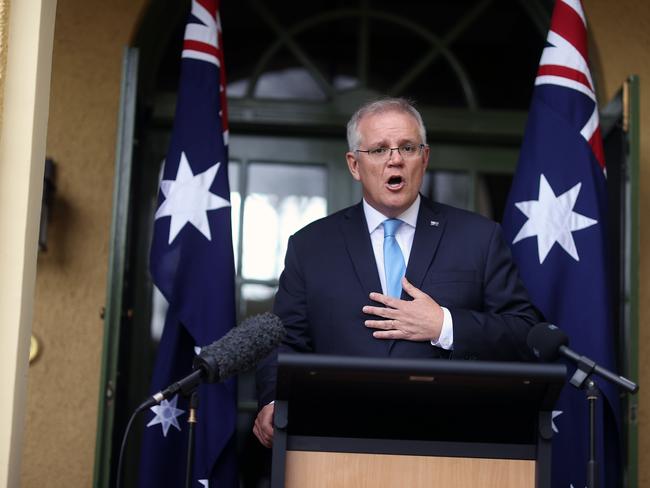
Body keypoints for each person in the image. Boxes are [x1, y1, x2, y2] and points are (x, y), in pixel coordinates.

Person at [253, 97, 541, 448]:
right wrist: (272, 401)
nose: (395, 159)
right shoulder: (311, 246)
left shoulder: (478, 238)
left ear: (425, 158)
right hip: (337, 446)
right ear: (354, 164)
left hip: (453, 446)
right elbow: (284, 341)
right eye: (378, 150)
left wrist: (444, 326)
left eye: (407, 147)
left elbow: (525, 333)